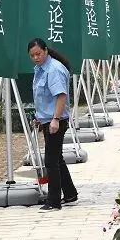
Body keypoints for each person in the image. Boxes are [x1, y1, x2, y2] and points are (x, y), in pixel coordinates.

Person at [27, 38, 78, 212]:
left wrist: (55, 119)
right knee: (57, 158)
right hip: (48, 119)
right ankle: (70, 194)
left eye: (38, 54)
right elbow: (43, 97)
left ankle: (54, 201)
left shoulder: (54, 69)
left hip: (56, 120)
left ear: (46, 51)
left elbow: (61, 95)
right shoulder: (40, 69)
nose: (36, 57)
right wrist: (39, 117)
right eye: (32, 55)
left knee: (50, 161)